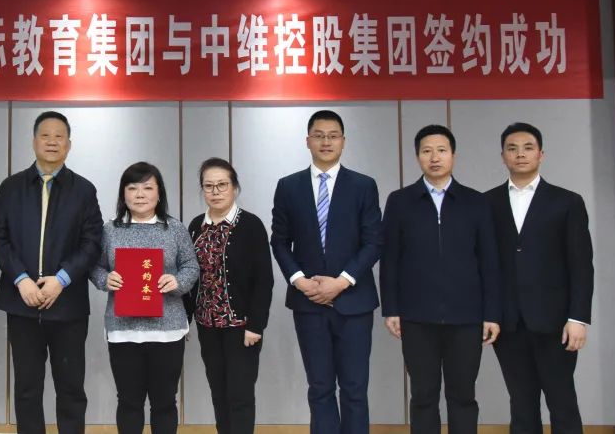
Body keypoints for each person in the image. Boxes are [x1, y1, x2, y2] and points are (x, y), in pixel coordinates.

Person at [380, 124, 501, 434]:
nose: (434, 157)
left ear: (453, 155)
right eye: (427, 151)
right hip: (416, 317)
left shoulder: (476, 202)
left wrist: (491, 313)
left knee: (463, 396)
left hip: (467, 317)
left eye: (442, 150)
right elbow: (390, 259)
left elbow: (489, 262)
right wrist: (391, 308)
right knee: (423, 396)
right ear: (418, 157)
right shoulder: (400, 201)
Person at [0, 111, 103, 434]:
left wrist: (62, 279)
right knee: (27, 389)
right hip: (21, 302)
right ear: (34, 141)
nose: (52, 142)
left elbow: (92, 242)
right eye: (45, 135)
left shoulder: (84, 190)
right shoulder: (11, 187)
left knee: (71, 388)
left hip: (67, 305)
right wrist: (21, 279)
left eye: (59, 136)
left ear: (69, 144)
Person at [269, 110, 383, 434]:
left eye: (333, 136)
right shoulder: (288, 186)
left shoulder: (363, 185)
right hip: (308, 303)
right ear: (308, 141)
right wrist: (300, 281)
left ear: (343, 141)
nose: (326, 142)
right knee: (319, 388)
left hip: (354, 302)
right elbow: (279, 241)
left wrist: (342, 282)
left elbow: (374, 242)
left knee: (355, 389)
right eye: (319, 135)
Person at [486, 122, 593, 434]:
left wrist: (578, 318)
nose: (520, 154)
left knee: (562, 401)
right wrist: (488, 314)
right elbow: (485, 265)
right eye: (512, 148)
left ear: (541, 154)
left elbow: (581, 265)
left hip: (556, 322)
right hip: (508, 322)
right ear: (503, 156)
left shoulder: (567, 201)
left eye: (528, 147)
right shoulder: (487, 203)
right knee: (521, 403)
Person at [90, 162, 199, 434]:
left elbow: (191, 266)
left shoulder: (175, 229)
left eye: (148, 188)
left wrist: (177, 282)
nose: (140, 194)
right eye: (132, 188)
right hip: (123, 330)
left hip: (167, 330)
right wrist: (105, 279)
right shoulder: (109, 230)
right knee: (129, 401)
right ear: (123, 194)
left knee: (165, 402)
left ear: (159, 193)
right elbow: (95, 266)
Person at [184, 157, 272, 434]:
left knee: (240, 395)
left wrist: (256, 325)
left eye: (222, 184)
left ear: (234, 187)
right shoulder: (196, 226)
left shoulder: (251, 225)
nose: (216, 191)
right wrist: (184, 319)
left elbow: (264, 280)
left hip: (241, 326)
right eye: (209, 186)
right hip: (207, 324)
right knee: (218, 392)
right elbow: (189, 276)